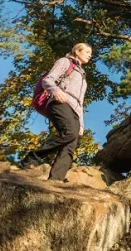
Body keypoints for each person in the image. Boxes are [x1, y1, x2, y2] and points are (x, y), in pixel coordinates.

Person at [21, 43, 92, 180]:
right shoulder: (65, 62)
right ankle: (32, 158)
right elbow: (48, 80)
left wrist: (81, 124)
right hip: (60, 102)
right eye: (87, 51)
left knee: (71, 145)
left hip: (75, 111)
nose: (90, 54)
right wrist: (56, 91)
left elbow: (80, 102)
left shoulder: (82, 75)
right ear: (77, 51)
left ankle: (55, 180)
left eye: (91, 53)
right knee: (69, 132)